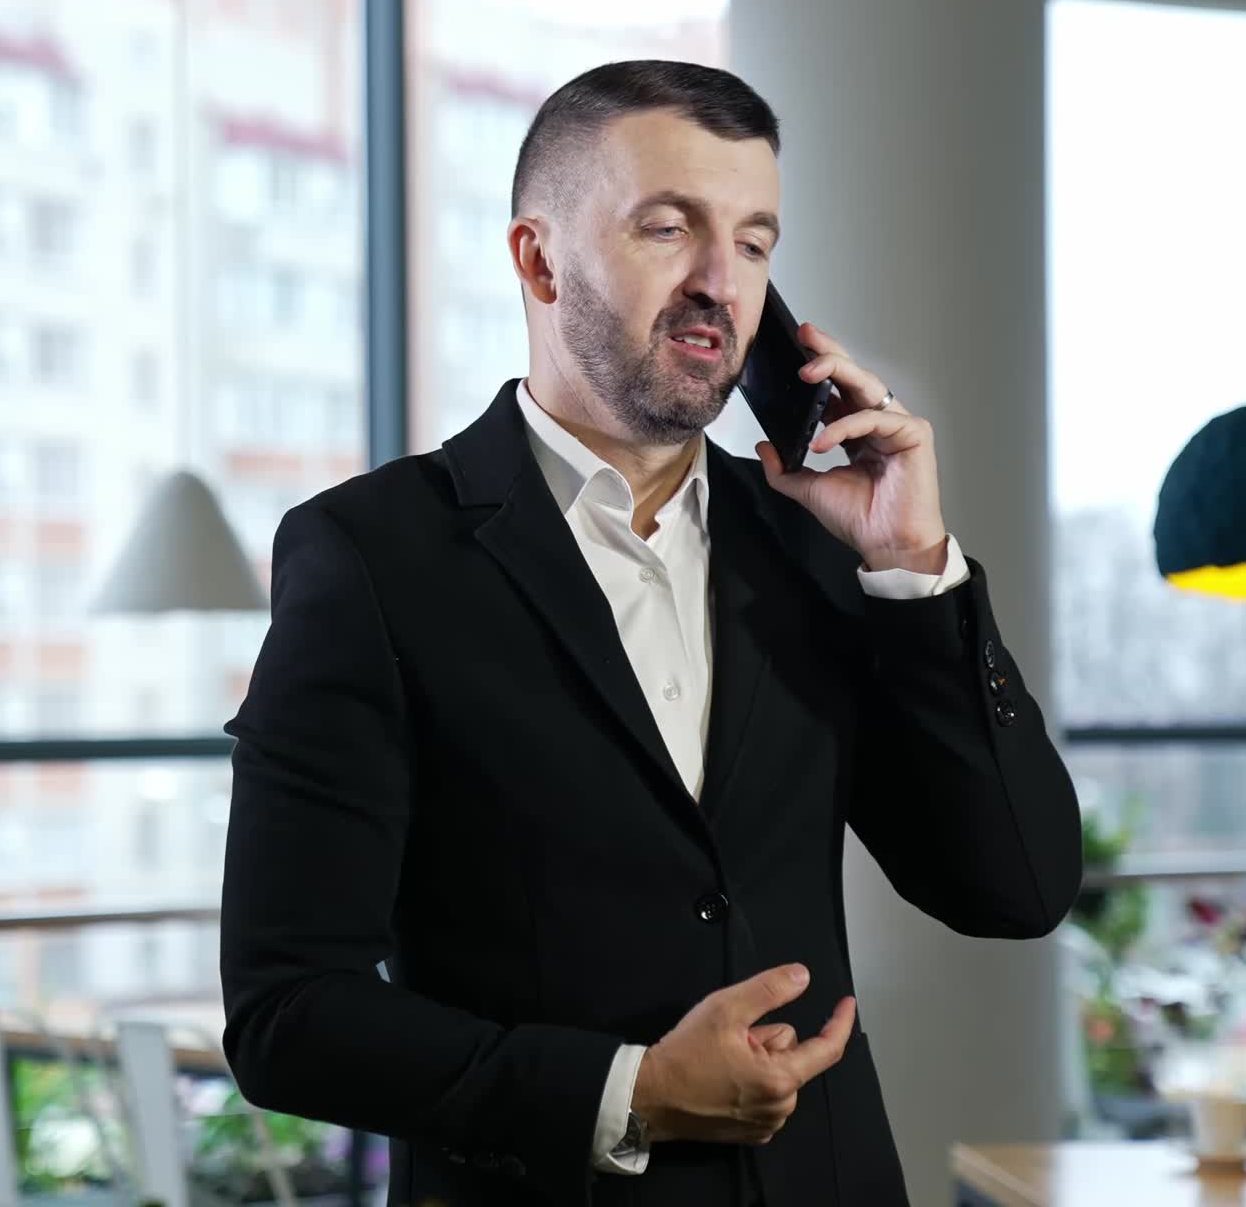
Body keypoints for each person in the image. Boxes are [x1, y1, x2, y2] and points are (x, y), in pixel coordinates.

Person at [218, 59, 1084, 1207]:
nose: (719, 284)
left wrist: (912, 567)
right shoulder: (372, 559)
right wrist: (625, 1089)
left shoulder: (818, 547)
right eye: (666, 228)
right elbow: (289, 1011)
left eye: (755, 241)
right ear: (537, 259)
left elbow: (1014, 887)